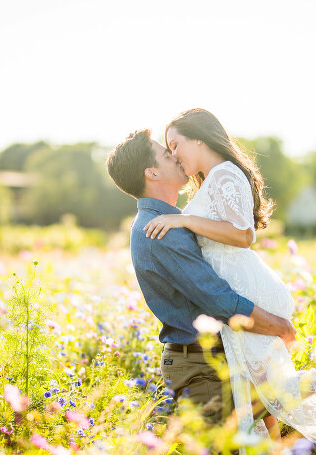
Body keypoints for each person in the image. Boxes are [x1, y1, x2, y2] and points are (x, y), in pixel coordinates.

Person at [143, 108, 316, 447]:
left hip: (246, 287)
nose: (174, 156)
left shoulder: (224, 173)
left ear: (199, 138)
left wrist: (184, 221)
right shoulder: (212, 179)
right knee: (261, 393)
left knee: (271, 392)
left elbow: (243, 234)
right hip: (238, 285)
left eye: (175, 145)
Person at [106, 129, 296, 424]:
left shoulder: (172, 220)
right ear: (152, 173)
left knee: (264, 442)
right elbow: (216, 299)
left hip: (211, 360)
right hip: (201, 368)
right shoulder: (159, 231)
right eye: (167, 154)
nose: (176, 157)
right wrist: (278, 326)